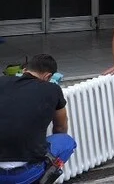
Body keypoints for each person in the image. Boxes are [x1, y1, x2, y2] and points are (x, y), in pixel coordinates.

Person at [0, 54, 77, 184]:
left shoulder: (2, 82)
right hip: (24, 174)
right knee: (67, 142)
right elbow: (60, 127)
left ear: (24, 70)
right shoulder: (52, 89)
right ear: (48, 76)